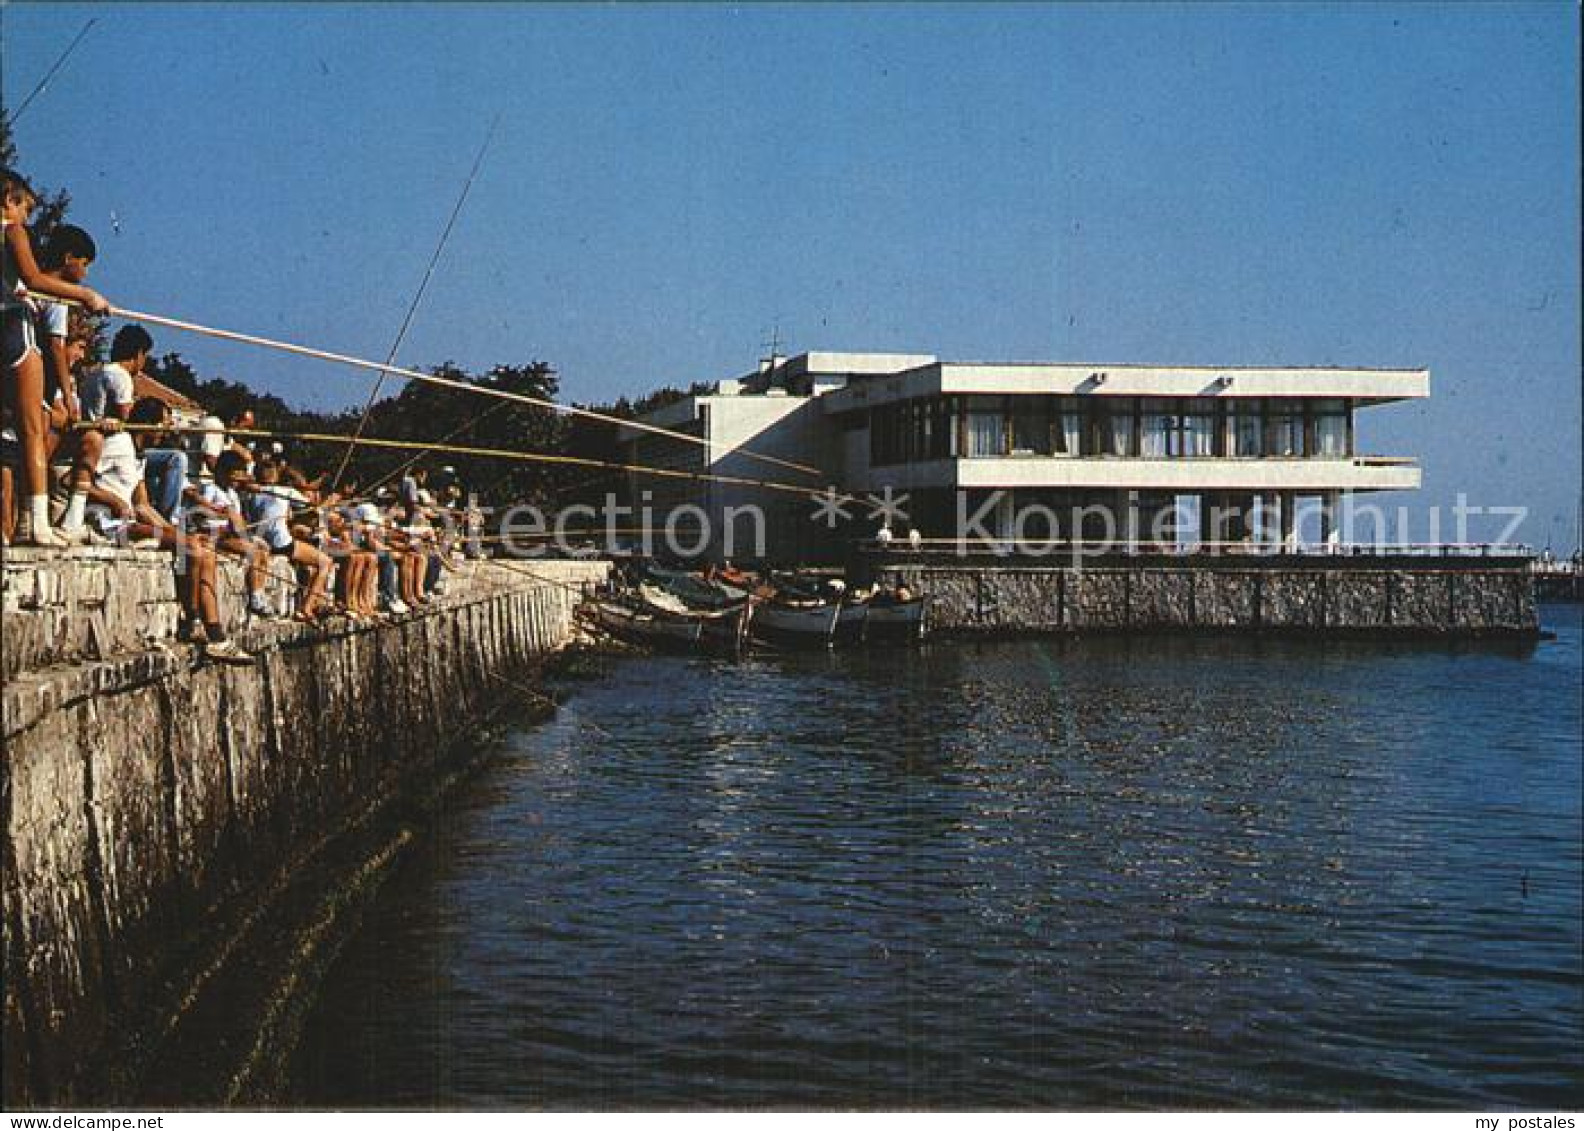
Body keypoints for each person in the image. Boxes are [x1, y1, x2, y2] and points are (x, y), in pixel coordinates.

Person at [88, 397, 253, 664]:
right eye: (163, 424)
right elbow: (75, 481)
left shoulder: (137, 456)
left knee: (202, 548)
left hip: (130, 523)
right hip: (110, 525)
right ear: (149, 425)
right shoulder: (117, 445)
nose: (166, 431)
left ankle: (215, 633)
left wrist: (175, 531)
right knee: (191, 549)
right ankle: (194, 620)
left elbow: (142, 505)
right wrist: (114, 501)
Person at [2, 167, 110, 546]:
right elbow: (32, 279)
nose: (27, 220)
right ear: (8, 200)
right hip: (14, 332)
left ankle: (24, 523)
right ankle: (37, 524)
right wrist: (85, 296)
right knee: (32, 431)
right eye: (25, 209)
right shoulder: (11, 231)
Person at [191, 449, 276, 618]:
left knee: (264, 551)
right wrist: (221, 514)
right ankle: (255, 597)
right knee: (253, 552)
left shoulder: (232, 494)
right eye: (234, 476)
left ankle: (258, 592)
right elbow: (200, 516)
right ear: (223, 473)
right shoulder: (211, 490)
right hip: (215, 536)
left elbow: (239, 522)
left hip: (230, 534)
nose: (237, 481)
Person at [246, 454, 332, 622]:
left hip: (263, 541)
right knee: (325, 562)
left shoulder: (251, 494)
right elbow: (311, 509)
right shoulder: (285, 491)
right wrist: (323, 504)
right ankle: (306, 609)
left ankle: (315, 602)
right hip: (281, 543)